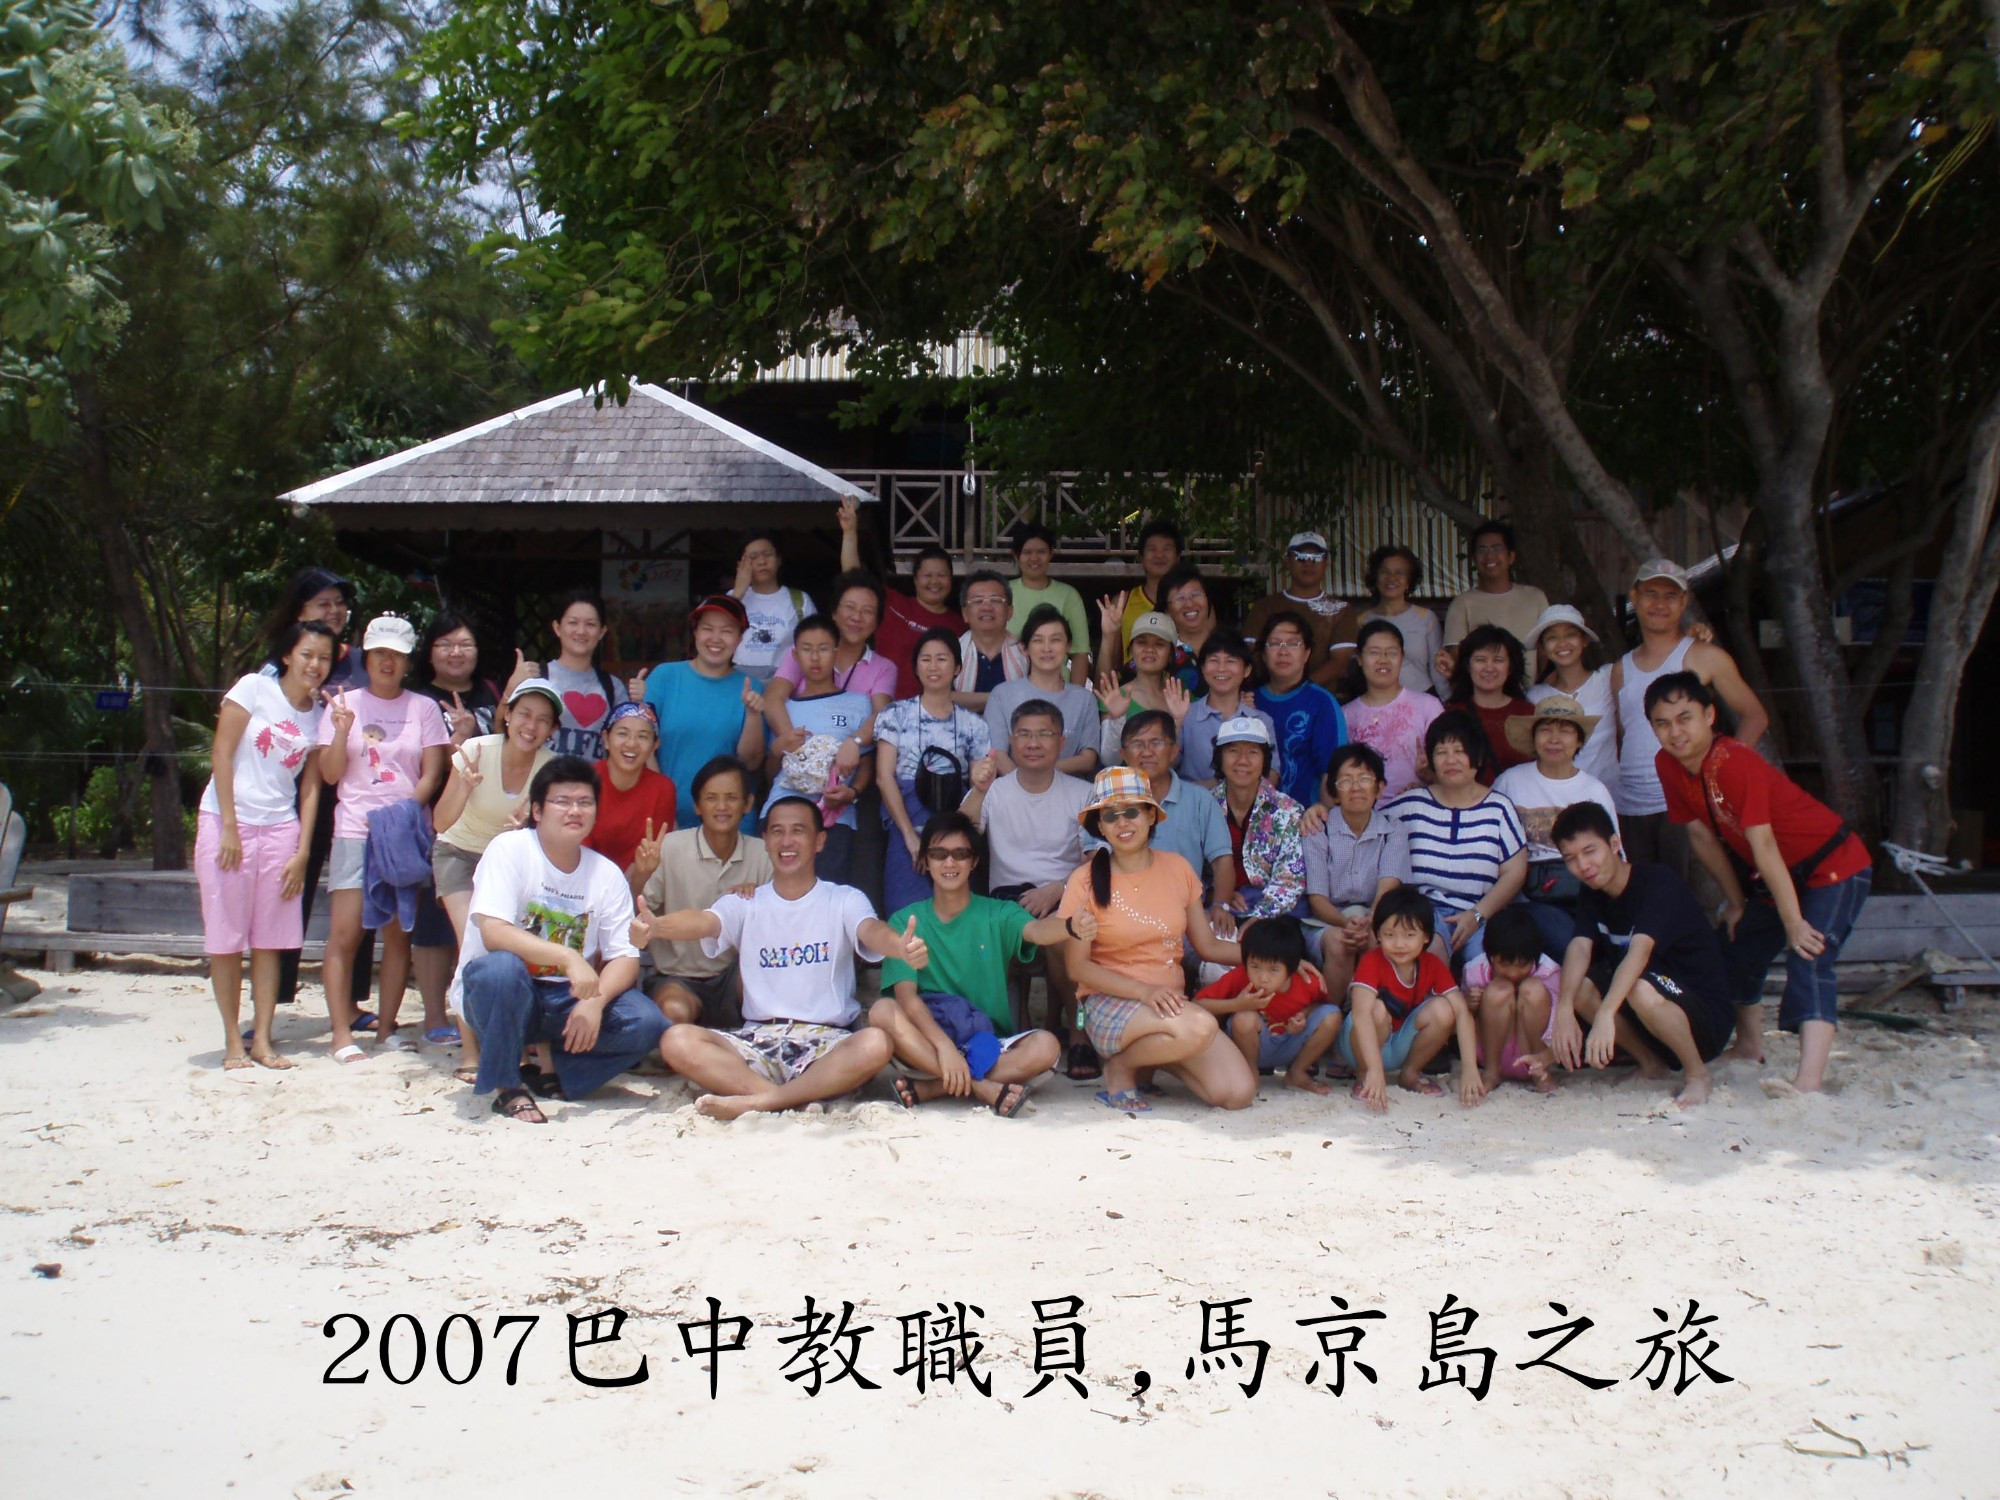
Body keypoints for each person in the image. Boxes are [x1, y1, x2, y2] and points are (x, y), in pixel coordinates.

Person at [1647, 671, 1873, 1094]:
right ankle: (1750, 1045)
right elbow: (1698, 835)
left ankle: (1809, 1082)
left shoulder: (1734, 761)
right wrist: (1736, 902)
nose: (1675, 732)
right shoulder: (1667, 764)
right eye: (1662, 723)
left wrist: (1792, 922)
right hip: (1775, 875)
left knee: (1809, 953)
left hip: (1833, 862)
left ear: (1710, 715)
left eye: (1685, 718)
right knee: (1737, 944)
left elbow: (1764, 845)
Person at [645, 795, 931, 1118]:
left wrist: (899, 946)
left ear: (820, 841)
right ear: (765, 841)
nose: (787, 841)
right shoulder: (747, 900)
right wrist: (657, 926)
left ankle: (760, 1102)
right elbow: (704, 921)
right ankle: (782, 1098)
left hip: (826, 1044)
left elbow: (870, 930)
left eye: (798, 831)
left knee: (875, 1044)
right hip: (758, 1040)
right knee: (675, 1040)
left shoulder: (843, 898)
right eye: (777, 831)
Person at [455, 756, 667, 1124]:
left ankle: (557, 1072)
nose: (575, 811)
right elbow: (494, 933)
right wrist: (569, 958)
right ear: (537, 810)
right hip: (501, 991)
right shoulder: (510, 849)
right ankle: (509, 1086)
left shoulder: (606, 873)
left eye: (585, 803)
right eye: (562, 802)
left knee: (646, 1022)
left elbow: (625, 957)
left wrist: (596, 1003)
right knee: (502, 970)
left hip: (564, 999)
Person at [1058, 767, 1255, 1113]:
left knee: (1237, 1093)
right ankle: (1121, 1067)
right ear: (1100, 827)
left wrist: (1268, 956)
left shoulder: (1178, 868)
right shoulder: (1084, 881)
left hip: (1169, 1008)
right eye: (1111, 816)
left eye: (1132, 811)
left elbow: (1208, 946)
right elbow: (1077, 968)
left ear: (1151, 816)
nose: (1123, 823)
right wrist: (1144, 992)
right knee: (1200, 1026)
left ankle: (1148, 1060)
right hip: (1111, 1003)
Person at [196, 620, 333, 1070]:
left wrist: (303, 850)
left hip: (281, 829)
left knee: (271, 940)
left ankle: (264, 1040)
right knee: (227, 937)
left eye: (325, 658)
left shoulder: (318, 714)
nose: (316, 665)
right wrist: (231, 826)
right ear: (288, 655)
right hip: (226, 820)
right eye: (308, 654)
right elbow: (221, 752)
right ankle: (233, 1040)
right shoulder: (254, 688)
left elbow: (311, 787)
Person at [868, 812, 1071, 1116]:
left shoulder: (999, 912)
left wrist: (1071, 927)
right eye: (938, 854)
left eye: (960, 854)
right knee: (882, 1011)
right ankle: (979, 1087)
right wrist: (945, 1048)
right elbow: (906, 999)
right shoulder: (905, 920)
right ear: (925, 860)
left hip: (988, 1045)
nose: (949, 863)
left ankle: (934, 1086)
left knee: (1047, 1046)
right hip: (927, 1042)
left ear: (974, 862)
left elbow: (1037, 932)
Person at [315, 615, 452, 1062]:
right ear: (366, 655)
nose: (387, 662)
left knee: (398, 936)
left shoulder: (424, 708)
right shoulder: (343, 703)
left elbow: (432, 772)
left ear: (408, 659)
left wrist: (403, 813)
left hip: (405, 830)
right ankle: (341, 1033)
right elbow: (331, 774)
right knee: (345, 934)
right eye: (379, 653)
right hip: (355, 828)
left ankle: (386, 1028)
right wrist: (339, 729)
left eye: (396, 654)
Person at [1551, 801, 1735, 1108]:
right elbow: (1580, 946)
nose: (1583, 866)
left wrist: (1607, 1013)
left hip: (1702, 1014)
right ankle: (1652, 1064)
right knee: (1582, 990)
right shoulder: (1593, 893)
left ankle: (1697, 1074)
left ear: (1614, 844)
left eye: (1590, 851)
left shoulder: (1657, 883)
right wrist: (1565, 1010)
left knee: (1638, 987)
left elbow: (1639, 953)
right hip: (1652, 1013)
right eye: (1571, 858)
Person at [431, 678, 562, 1080]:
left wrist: (524, 829)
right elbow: (440, 822)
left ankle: (514, 1040)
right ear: (506, 715)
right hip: (460, 855)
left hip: (511, 862)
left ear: (553, 729)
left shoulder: (550, 767)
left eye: (543, 719)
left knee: (521, 950)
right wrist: (465, 786)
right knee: (473, 944)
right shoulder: (475, 751)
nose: (531, 725)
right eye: (524, 713)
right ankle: (471, 1051)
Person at [960, 698, 1095, 1070]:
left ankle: (1079, 1032)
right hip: (1006, 901)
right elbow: (958, 838)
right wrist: (979, 788)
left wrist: (1057, 890)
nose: (1033, 743)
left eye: (1043, 734)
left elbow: (1095, 861)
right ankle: (1018, 1036)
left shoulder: (1082, 793)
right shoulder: (997, 791)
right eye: (1024, 734)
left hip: (1065, 897)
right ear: (1010, 740)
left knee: (1061, 937)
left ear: (1061, 742)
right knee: (998, 936)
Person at [1610, 558, 1769, 873]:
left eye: (1671, 596)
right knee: (1643, 902)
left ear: (1684, 601)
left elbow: (1755, 716)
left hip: (1685, 806)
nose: (1660, 604)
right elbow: (1621, 737)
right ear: (1634, 597)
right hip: (1629, 808)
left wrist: (1717, 775)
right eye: (1651, 594)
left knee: (1687, 903)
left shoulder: (1705, 656)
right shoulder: (1619, 669)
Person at [261, 566, 367, 1011]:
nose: (335, 611)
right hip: (294, 798)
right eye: (323, 604)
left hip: (355, 800)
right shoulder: (275, 667)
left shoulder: (362, 661)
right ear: (300, 613)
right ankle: (275, 995)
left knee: (357, 900)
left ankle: (354, 1003)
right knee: (291, 890)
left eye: (340, 603)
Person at [1382, 712, 1527, 967]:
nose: (1451, 760)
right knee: (1431, 951)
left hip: (1479, 913)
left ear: (1478, 757)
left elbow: (1514, 872)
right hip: (1422, 913)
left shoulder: (1499, 808)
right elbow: (1364, 827)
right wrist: (1321, 813)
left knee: (1485, 968)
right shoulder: (1410, 805)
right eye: (1441, 752)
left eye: (1459, 751)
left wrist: (1477, 914)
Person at [637, 756, 773, 1027]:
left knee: (766, 984)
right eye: (711, 798)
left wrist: (760, 899)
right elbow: (638, 911)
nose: (721, 807)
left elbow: (782, 928)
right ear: (697, 806)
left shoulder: (764, 854)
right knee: (673, 1012)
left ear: (747, 804)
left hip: (734, 976)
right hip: (677, 977)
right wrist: (642, 873)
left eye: (732, 798)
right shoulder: (669, 848)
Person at [876, 628, 992, 914]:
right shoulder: (895, 714)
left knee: (956, 911)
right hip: (906, 829)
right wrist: (910, 836)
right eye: (925, 659)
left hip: (955, 831)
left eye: (942, 659)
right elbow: (884, 776)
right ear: (915, 667)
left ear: (957, 667)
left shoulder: (973, 725)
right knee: (905, 911)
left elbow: (981, 787)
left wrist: (952, 838)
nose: (933, 666)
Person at [1494, 693, 1620, 955]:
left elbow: (1613, 856)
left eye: (1565, 731)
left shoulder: (1594, 790)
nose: (1554, 739)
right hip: (1525, 898)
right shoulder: (1510, 782)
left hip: (1585, 894)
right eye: (1546, 730)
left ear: (1579, 741)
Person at [1338, 886, 1484, 1112]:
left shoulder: (1432, 964)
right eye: (1390, 935)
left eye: (1409, 935)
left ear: (1426, 936)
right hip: (1361, 1044)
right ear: (1377, 934)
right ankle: (1364, 1075)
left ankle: (1410, 1073)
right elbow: (1360, 1014)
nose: (1399, 944)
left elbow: (1462, 1011)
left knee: (1445, 1009)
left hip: (1399, 1044)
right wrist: (1375, 1071)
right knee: (1374, 1009)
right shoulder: (1372, 961)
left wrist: (1470, 1069)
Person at [634, 593, 765, 826]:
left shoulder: (752, 687)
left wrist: (753, 715)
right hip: (669, 818)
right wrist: (662, 804)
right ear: (695, 632)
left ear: (740, 639)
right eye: (707, 629)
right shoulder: (666, 676)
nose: (716, 638)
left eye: (726, 631)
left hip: (731, 823)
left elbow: (751, 762)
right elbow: (643, 744)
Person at [760, 615, 872, 885]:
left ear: (837, 653)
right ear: (795, 656)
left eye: (823, 648)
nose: (815, 657)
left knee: (827, 899)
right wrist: (777, 748)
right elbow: (768, 774)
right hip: (780, 813)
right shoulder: (784, 708)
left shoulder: (859, 704)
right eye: (807, 649)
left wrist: (852, 793)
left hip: (835, 818)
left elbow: (867, 764)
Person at [1086, 711, 1234, 911]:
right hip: (1122, 911)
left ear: (1174, 751)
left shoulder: (1200, 800)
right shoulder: (1104, 803)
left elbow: (1222, 860)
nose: (1146, 752)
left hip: (1187, 913)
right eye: (1137, 744)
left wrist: (1220, 905)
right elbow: (1095, 857)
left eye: (1156, 742)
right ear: (1123, 755)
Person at [1303, 743, 1411, 1001]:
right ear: (1334, 792)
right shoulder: (1319, 829)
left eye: (1365, 779)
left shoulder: (1393, 830)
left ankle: (1374, 1018)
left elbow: (1388, 886)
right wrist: (1345, 924)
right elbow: (1317, 898)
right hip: (1327, 920)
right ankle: (1330, 1019)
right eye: (1346, 781)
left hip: (1376, 915)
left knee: (1378, 940)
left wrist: (1371, 920)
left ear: (1379, 788)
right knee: (1341, 944)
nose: (1356, 787)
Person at [1193, 914, 1341, 1094]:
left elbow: (1321, 1007)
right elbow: (1198, 1004)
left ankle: (1297, 1072)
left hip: (1292, 1042)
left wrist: (1304, 1015)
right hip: (1254, 1046)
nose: (1263, 977)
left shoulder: (1308, 981)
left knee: (1333, 1015)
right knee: (1244, 1018)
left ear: (1292, 968)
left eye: (1274, 970)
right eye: (1255, 967)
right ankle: (1249, 1073)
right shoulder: (1240, 976)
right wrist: (1237, 1005)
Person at [759, 570, 898, 756]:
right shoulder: (804, 651)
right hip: (796, 764)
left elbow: (882, 717)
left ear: (876, 623)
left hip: (849, 767)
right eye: (850, 607)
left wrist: (854, 743)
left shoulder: (884, 668)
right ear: (834, 612)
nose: (857, 617)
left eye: (867, 611)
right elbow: (772, 698)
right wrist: (796, 746)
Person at [838, 495, 962, 698]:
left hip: (928, 715)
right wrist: (850, 533)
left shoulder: (959, 625)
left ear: (951, 579)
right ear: (914, 579)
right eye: (927, 575)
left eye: (941, 575)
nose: (934, 582)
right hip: (879, 704)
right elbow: (854, 578)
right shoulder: (892, 603)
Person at [1209, 716, 1305, 935]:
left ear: (1264, 760)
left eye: (1252, 752)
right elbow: (1192, 870)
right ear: (1220, 759)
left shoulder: (1289, 810)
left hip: (1277, 915)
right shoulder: (1204, 807)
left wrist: (1260, 917)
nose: (1242, 761)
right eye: (1233, 751)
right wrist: (1220, 895)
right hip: (1220, 907)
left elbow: (1290, 878)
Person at [983, 605, 1101, 777]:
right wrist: (1024, 785)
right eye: (1038, 640)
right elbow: (997, 755)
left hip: (1068, 795)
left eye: (1055, 640)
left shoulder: (1084, 699)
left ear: (1068, 646)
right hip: (1013, 794)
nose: (1047, 648)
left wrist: (1041, 775)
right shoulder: (1002, 695)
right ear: (1025, 648)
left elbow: (1088, 758)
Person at [1458, 906, 1564, 1095]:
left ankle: (1540, 1072)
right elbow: (1461, 1021)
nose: (1514, 973)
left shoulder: (1549, 971)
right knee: (1499, 989)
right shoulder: (1475, 970)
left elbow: (1559, 1023)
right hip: (1493, 1052)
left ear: (1534, 957)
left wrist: (1547, 1057)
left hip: (1536, 1050)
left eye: (1523, 965)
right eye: (1505, 965)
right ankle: (1491, 1072)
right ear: (1490, 956)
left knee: (1533, 989)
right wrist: (1470, 1006)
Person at [1243, 531, 1366, 688]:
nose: (1308, 563)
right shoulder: (1263, 607)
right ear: (1287, 561)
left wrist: (1300, 691)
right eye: (1300, 556)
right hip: (1268, 698)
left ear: (1326, 562)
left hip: (1320, 702)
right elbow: (1253, 655)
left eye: (1316, 557)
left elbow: (1340, 663)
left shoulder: (1342, 610)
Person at [1254, 609, 1348, 810]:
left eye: (1293, 643)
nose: (1283, 651)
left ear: (1307, 653)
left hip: (1305, 822)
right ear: (1262, 654)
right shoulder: (1248, 700)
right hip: (1252, 821)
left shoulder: (1321, 703)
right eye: (1274, 643)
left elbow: (1331, 773)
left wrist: (1325, 828)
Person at [1340, 618, 1444, 798]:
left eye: (1392, 653)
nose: (1383, 660)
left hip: (1418, 811)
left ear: (1402, 657)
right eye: (1374, 653)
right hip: (1365, 817)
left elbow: (1449, 768)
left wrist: (1429, 777)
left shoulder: (1429, 706)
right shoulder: (1345, 715)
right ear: (1359, 658)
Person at [1438, 520, 1550, 679]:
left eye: (1497, 548)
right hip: (1481, 696)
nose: (1489, 555)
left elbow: (1545, 650)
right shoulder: (1462, 603)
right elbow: (1457, 657)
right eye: (1482, 550)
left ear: (1511, 556)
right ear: (1474, 559)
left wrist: (1541, 690)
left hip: (1530, 697)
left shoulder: (1535, 597)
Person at [1525, 605, 1619, 787]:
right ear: (1542, 647)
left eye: (1570, 635)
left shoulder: (1608, 679)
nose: (1562, 644)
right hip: (1558, 798)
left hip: (1609, 796)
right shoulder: (1535, 696)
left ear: (1584, 640)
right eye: (1552, 638)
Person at [587, 702, 679, 882]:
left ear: (654, 746)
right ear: (606, 739)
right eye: (622, 734)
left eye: (643, 736)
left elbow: (644, 861)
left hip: (633, 888)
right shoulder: (584, 780)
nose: (631, 744)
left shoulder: (663, 789)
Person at [1175, 633, 1278, 788]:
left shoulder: (1261, 721)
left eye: (1231, 661)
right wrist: (1176, 722)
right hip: (1194, 808)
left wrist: (1226, 789)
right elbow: (1167, 767)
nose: (1221, 668)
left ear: (1247, 670)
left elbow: (1272, 774)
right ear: (1202, 668)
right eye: (1214, 660)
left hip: (1246, 809)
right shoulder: (1185, 715)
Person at [537, 588, 627, 761]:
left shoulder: (613, 688)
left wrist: (638, 703)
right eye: (573, 622)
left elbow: (624, 741)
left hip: (595, 786)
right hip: (544, 784)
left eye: (590, 624)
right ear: (557, 628)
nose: (581, 631)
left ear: (602, 632)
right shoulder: (538, 678)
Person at [414, 610, 526, 747]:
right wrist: (462, 735)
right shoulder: (418, 703)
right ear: (429, 654)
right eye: (445, 645)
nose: (456, 652)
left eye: (466, 645)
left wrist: (512, 691)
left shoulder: (493, 690)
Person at [1445, 624, 1536, 782]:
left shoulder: (1528, 713)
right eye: (1480, 660)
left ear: (1511, 667)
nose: (1489, 668)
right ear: (1468, 666)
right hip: (1469, 804)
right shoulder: (1451, 715)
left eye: (1498, 660)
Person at [1005, 522, 1092, 683]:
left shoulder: (1069, 595)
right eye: (1027, 552)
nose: (1034, 558)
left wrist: (1077, 698)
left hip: (1058, 688)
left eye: (1041, 552)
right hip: (1010, 686)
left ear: (1051, 554)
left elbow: (1080, 652)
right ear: (1016, 555)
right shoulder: (1003, 593)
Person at [1358, 544, 1446, 697]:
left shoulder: (1426, 618)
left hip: (1422, 698)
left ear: (1409, 582)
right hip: (1377, 701)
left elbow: (1437, 667)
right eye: (1385, 572)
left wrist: (1446, 700)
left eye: (1400, 573)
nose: (1391, 578)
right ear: (1375, 578)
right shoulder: (1362, 621)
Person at [727, 532, 814, 682]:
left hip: (785, 680)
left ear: (779, 559)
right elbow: (715, 632)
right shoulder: (731, 598)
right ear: (740, 564)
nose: (762, 561)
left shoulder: (800, 600)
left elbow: (815, 642)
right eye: (753, 557)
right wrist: (738, 592)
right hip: (738, 679)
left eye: (768, 554)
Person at [1093, 610, 1178, 760]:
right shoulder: (1116, 696)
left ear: (1171, 653)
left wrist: (1179, 721)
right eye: (1141, 642)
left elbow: (1179, 760)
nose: (1149, 649)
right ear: (1131, 649)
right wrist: (1117, 719)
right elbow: (1109, 760)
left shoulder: (1180, 697)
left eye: (1159, 644)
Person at [951, 570, 1028, 711]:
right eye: (977, 601)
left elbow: (1040, 697)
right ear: (965, 613)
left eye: (996, 600)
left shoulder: (1028, 654)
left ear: (1009, 611)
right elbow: (940, 698)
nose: (986, 607)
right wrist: (1003, 698)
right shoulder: (950, 653)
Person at [1112, 518, 1184, 663]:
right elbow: (1112, 664)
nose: (1159, 555)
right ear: (1141, 557)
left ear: (1177, 557)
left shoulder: (1194, 605)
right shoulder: (1122, 602)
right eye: (1152, 549)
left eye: (1167, 549)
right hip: (1132, 684)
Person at [1156, 564, 1222, 686]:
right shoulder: (1160, 653)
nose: (1190, 604)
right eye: (1180, 598)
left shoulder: (1229, 645)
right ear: (1167, 610)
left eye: (1196, 595)